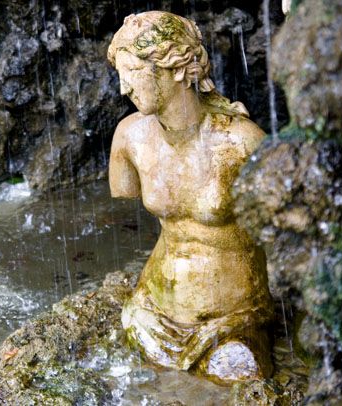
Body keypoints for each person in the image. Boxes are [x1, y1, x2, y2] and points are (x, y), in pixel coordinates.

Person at [107, 11, 274, 384]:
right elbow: (123, 199)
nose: (123, 88)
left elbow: (292, 229)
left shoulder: (242, 143)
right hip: (153, 311)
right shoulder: (130, 138)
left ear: (175, 67)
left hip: (230, 317)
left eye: (131, 72)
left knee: (239, 373)